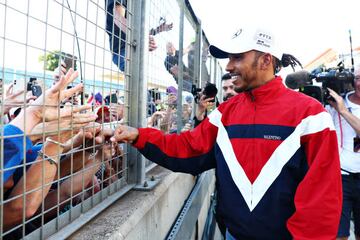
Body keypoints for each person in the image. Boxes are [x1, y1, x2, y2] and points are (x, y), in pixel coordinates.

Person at [110, 26, 342, 239]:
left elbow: (322, 200)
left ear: (266, 60)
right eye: (229, 58)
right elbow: (187, 149)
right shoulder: (225, 113)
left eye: (238, 57)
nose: (229, 66)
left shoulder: (311, 115)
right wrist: (139, 136)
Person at [326, 64, 360, 240]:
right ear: (352, 80)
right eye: (358, 78)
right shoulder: (334, 103)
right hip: (341, 178)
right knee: (339, 234)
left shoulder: (341, 107)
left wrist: (344, 111)